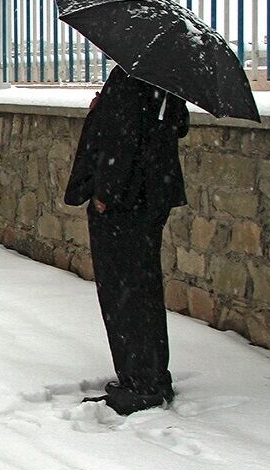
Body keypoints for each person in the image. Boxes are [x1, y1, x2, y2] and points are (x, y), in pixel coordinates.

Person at [64, 65, 189, 415]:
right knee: (143, 287)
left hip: (125, 202)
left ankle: (140, 383)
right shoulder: (166, 77)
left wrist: (106, 192)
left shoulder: (130, 76)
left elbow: (123, 136)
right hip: (152, 196)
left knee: (123, 291)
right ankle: (151, 375)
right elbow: (176, 126)